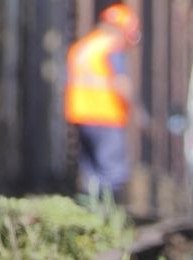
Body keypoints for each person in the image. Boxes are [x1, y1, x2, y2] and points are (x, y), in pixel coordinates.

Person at [65, 4, 140, 199]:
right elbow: (121, 84)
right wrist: (135, 110)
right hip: (106, 115)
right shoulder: (111, 47)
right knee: (112, 172)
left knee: (91, 173)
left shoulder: (83, 46)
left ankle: (91, 214)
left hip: (82, 115)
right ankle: (107, 215)